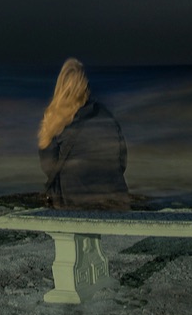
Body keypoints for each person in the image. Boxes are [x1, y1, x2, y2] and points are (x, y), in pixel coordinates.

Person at [37, 57, 130, 209]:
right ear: (85, 85)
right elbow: (122, 161)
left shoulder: (54, 120)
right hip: (116, 201)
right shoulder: (106, 116)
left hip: (74, 203)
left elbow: (49, 168)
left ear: (60, 87)